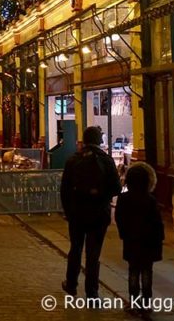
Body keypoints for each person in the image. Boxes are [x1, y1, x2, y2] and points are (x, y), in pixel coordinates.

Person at [59, 126, 121, 299]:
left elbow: (64, 189)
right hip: (99, 214)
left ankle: (71, 284)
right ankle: (92, 292)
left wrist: (68, 211)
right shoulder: (106, 160)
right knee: (93, 253)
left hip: (77, 213)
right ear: (99, 140)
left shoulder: (73, 160)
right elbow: (116, 188)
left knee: (76, 248)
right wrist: (100, 194)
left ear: (84, 140)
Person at [114, 162, 164, 312]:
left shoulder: (123, 199)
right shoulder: (151, 199)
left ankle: (134, 301)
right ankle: (147, 302)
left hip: (131, 240)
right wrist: (159, 239)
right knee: (147, 272)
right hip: (149, 242)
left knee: (133, 271)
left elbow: (119, 218)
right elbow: (157, 222)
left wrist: (123, 234)